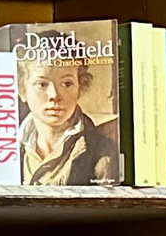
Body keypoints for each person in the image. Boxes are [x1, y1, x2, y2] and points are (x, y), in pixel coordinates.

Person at [19, 55, 122, 185]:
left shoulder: (104, 152)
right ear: (22, 90)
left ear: (79, 88)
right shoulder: (7, 145)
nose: (55, 95)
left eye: (67, 84)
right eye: (42, 84)